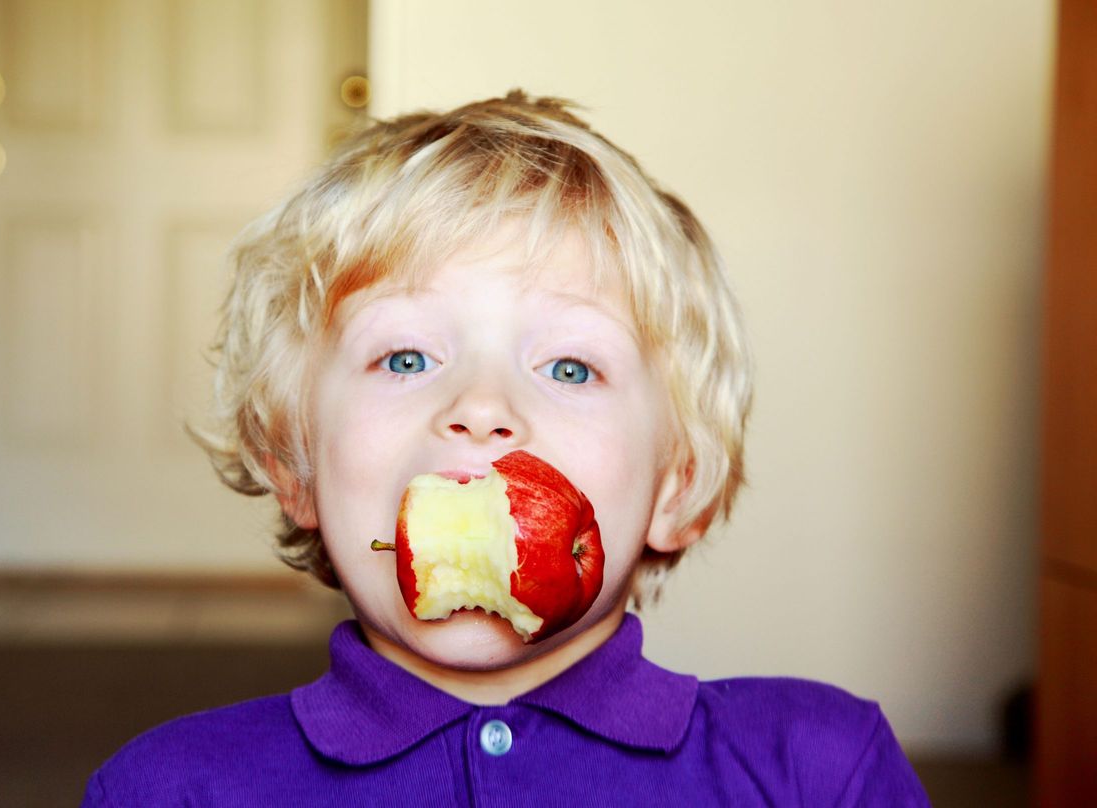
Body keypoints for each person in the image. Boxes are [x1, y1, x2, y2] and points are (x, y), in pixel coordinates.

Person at [80, 90, 930, 806]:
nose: (481, 409)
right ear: (296, 467)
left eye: (569, 365)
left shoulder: (816, 770)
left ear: (678, 485)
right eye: (406, 357)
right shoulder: (174, 789)